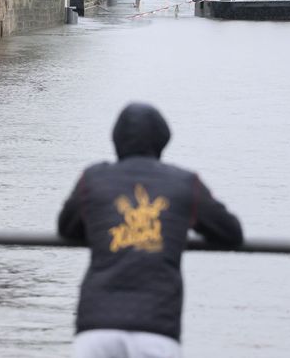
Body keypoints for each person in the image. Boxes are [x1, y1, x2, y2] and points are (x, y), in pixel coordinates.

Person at [58, 102, 243, 358]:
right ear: (162, 141)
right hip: (158, 328)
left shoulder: (93, 179)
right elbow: (230, 232)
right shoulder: (185, 183)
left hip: (97, 326)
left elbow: (66, 227)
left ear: (116, 140)